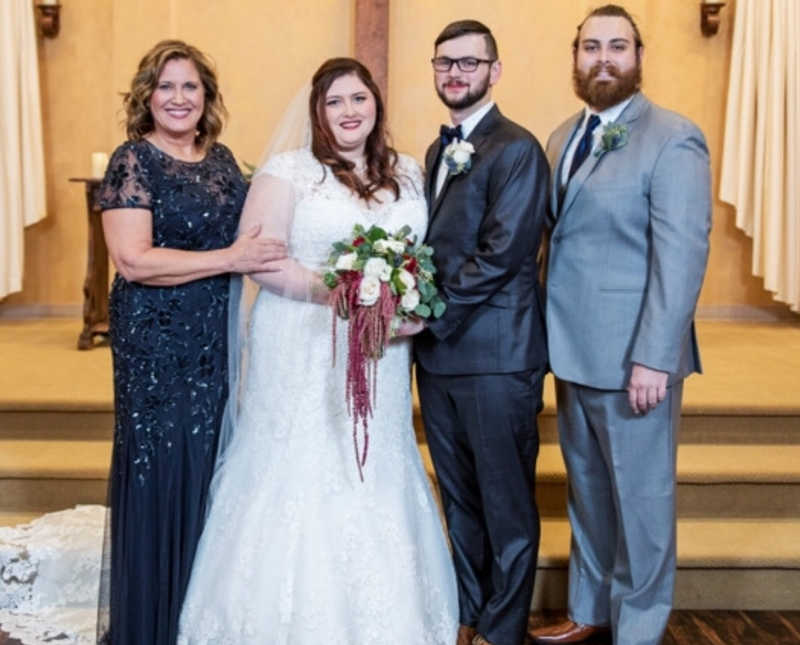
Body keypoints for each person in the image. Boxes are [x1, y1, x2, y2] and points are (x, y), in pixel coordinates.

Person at [177, 57, 459, 644]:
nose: (348, 111)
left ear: (376, 104)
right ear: (317, 112)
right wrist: (345, 295)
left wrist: (403, 306)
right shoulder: (288, 171)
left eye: (358, 99)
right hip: (302, 342)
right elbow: (263, 260)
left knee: (371, 464)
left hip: (380, 350)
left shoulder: (408, 172)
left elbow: (421, 260)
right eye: (334, 102)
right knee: (301, 462)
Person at [528, 6, 711, 645]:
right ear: (574, 57)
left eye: (618, 46)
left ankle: (638, 626)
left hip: (636, 358)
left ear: (639, 55)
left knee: (642, 500)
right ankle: (590, 609)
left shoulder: (672, 136)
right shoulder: (560, 137)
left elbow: (682, 255)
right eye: (590, 47)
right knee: (589, 494)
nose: (603, 58)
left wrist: (655, 356)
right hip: (572, 351)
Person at [97, 40, 285, 644]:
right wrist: (230, 256)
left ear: (207, 98)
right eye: (165, 87)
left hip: (213, 338)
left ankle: (199, 621)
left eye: (190, 87)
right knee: (161, 472)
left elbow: (259, 232)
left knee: (210, 469)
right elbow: (133, 260)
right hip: (154, 342)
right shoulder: (133, 160)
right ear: (146, 97)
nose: (178, 99)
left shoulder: (224, 159)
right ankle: (151, 623)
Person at [414, 20, 550, 645]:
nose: (456, 73)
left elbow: (500, 254)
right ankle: (469, 615)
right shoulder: (440, 150)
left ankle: (502, 630)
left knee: (508, 509)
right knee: (461, 502)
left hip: (497, 360)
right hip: (440, 360)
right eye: (446, 62)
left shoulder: (517, 150)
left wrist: (428, 314)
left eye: (470, 63)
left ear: (494, 71)